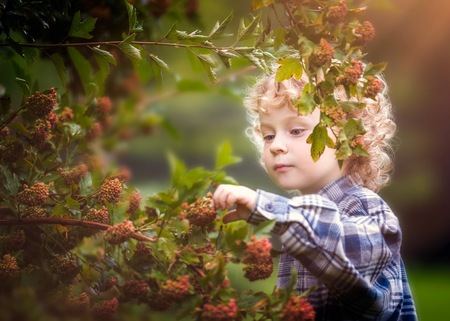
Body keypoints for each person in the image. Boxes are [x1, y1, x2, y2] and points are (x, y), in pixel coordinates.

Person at [212, 72, 417, 320]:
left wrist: (268, 208)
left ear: (349, 139)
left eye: (296, 130)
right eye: (268, 135)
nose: (276, 145)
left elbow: (347, 257)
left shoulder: (363, 206)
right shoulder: (296, 221)